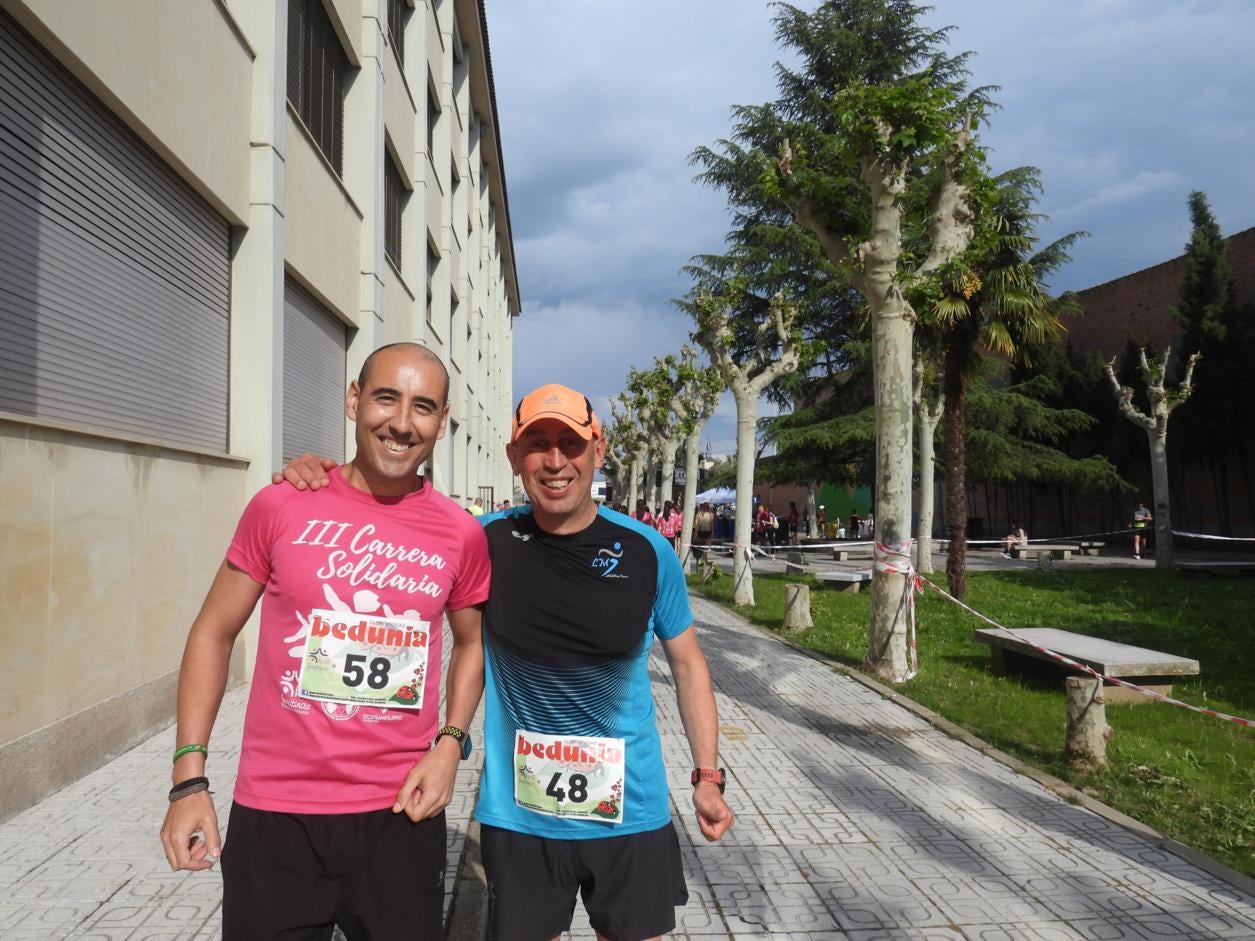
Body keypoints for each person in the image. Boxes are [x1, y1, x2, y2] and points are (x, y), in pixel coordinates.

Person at [161, 343, 490, 940]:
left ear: (441, 423)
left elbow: (471, 644)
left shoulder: (461, 533)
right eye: (385, 397)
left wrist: (450, 744)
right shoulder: (281, 505)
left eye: (423, 407)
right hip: (276, 815)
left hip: (401, 814)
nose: (400, 422)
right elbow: (212, 633)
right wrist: (189, 780)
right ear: (353, 400)